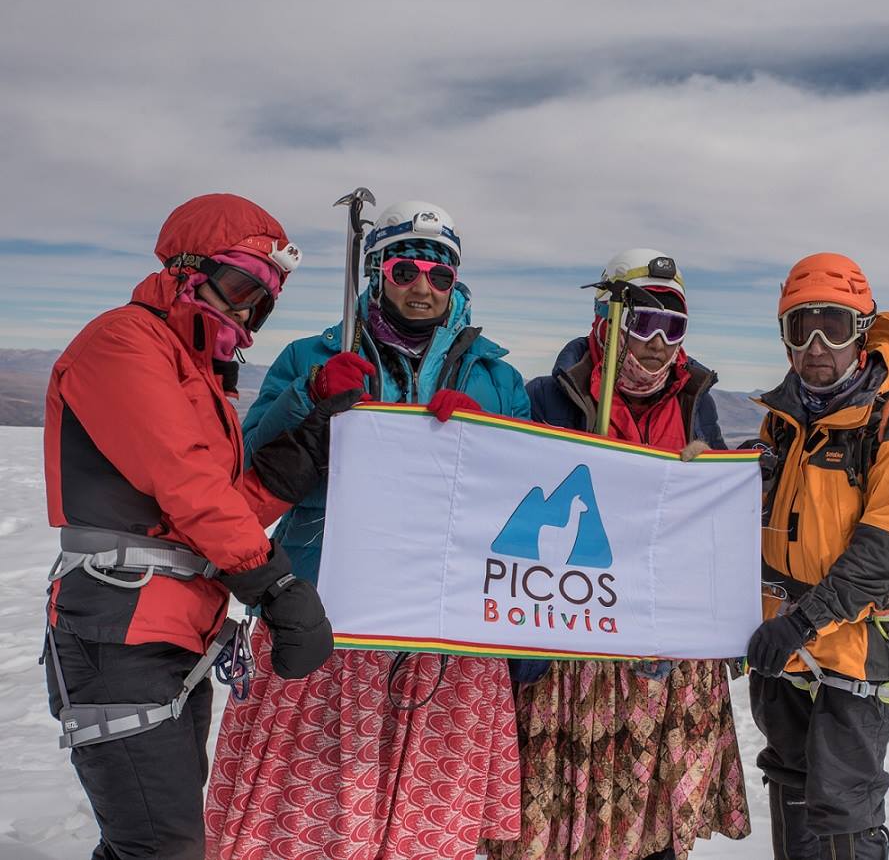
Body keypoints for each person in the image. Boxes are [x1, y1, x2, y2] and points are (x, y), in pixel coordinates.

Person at [206, 200, 533, 860]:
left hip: (448, 624)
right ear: (379, 269)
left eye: (440, 275)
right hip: (328, 606)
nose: (422, 286)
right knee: (307, 811)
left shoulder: (497, 379)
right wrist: (309, 397)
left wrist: (487, 434)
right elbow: (243, 464)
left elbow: (525, 494)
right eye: (407, 268)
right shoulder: (313, 355)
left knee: (427, 821)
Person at [42, 193, 346, 860]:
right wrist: (275, 585)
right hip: (117, 635)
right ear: (186, 268)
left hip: (173, 636)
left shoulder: (199, 375)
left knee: (151, 843)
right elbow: (186, 481)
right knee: (164, 847)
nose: (243, 311)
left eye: (261, 301)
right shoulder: (123, 342)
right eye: (239, 285)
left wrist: (313, 437)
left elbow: (225, 500)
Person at [488, 249, 749, 860]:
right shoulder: (551, 398)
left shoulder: (693, 403)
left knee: (648, 808)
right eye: (642, 322)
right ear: (608, 318)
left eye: (673, 327)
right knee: (561, 819)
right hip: (576, 641)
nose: (657, 343)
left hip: (663, 642)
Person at [743, 253, 889, 859]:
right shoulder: (783, 425)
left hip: (856, 654)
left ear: (861, 333)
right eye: (799, 327)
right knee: (790, 783)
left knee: (844, 809)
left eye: (832, 326)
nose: (815, 345)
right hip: (785, 653)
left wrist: (802, 621)